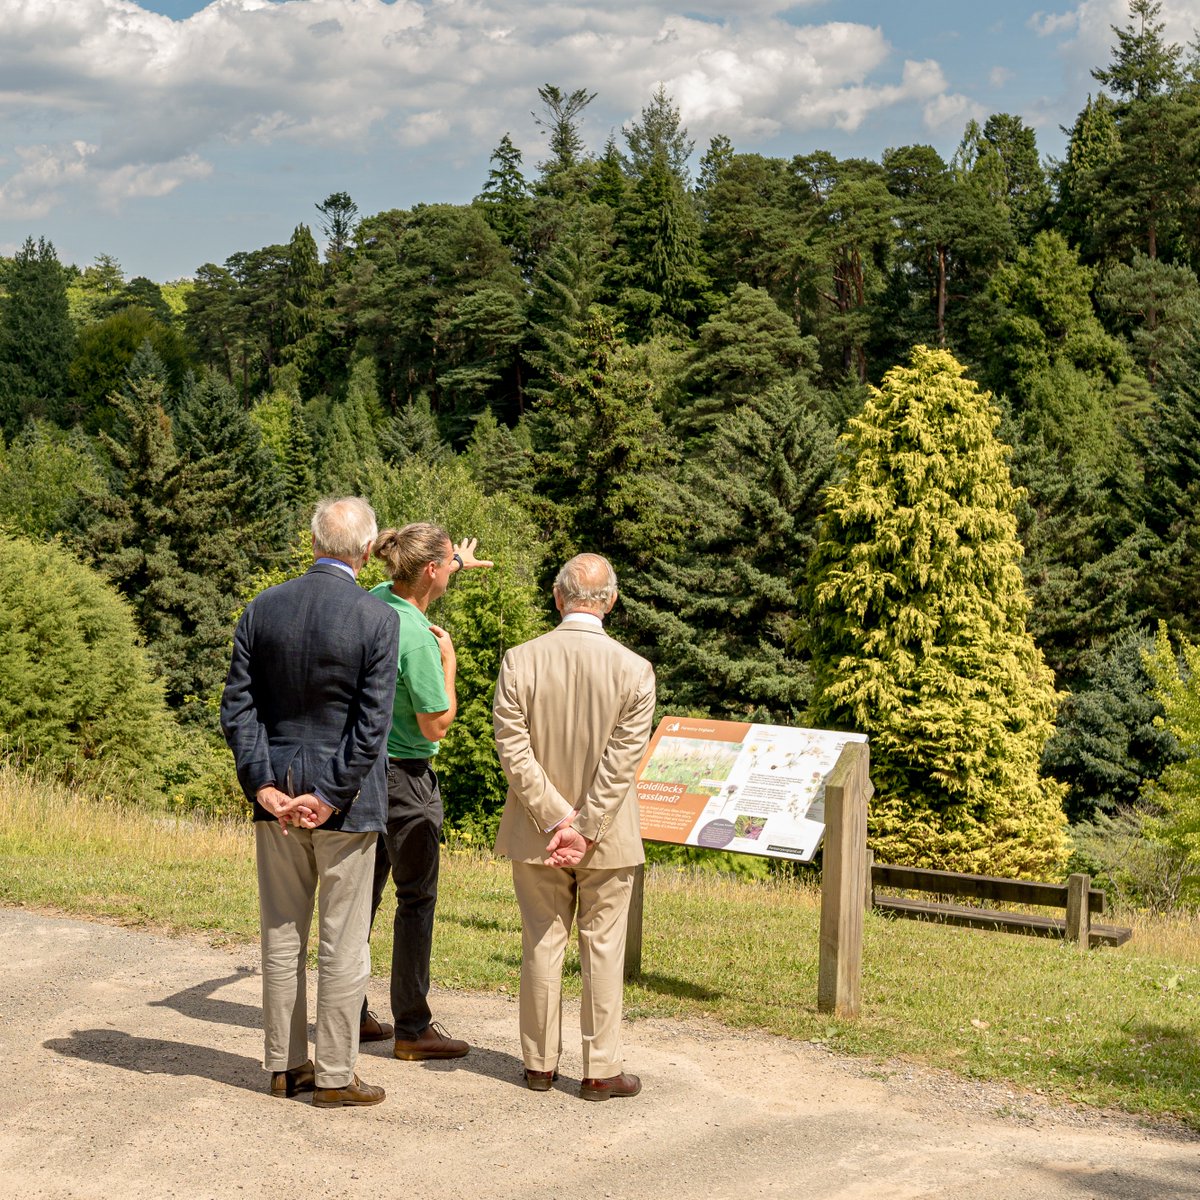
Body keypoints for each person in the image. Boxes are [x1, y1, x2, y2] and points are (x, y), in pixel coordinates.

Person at [220, 496, 399, 1109]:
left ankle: (284, 1065)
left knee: (281, 932)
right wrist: (328, 796)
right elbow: (372, 726)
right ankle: (335, 1075)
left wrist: (266, 787)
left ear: (314, 542)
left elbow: (238, 709)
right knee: (343, 941)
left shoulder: (262, 608)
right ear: (368, 550)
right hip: (348, 806)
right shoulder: (377, 617)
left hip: (275, 796)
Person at [492, 553, 655, 1101]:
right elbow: (622, 761)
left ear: (558, 597)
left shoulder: (520, 660)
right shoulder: (635, 669)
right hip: (607, 835)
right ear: (610, 600)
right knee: (603, 945)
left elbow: (512, 749)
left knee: (542, 941)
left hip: (536, 830)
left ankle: (538, 1065)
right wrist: (583, 825)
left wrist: (555, 817)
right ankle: (600, 1070)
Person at [364, 523, 492, 1060]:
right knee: (415, 898)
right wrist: (450, 665)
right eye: (445, 565)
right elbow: (436, 723)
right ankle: (413, 1029)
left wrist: (456, 562)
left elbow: (417, 575)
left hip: (363, 774)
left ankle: (348, 1011)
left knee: (358, 900)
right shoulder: (418, 638)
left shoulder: (374, 600)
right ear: (431, 571)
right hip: (408, 780)